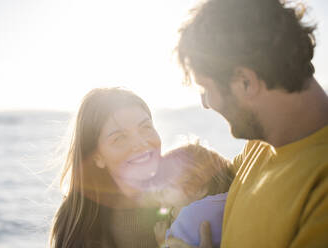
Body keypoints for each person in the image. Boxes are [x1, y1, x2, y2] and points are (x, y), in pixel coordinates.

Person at [167, 0, 328, 247]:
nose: (207, 104)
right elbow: (211, 179)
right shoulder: (260, 146)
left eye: (206, 89)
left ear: (245, 82)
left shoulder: (320, 187)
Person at [49, 87, 165, 248]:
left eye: (145, 127)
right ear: (97, 157)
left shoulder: (196, 189)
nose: (140, 143)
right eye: (120, 138)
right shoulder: (76, 221)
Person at [152, 142, 233, 248]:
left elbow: (174, 244)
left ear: (199, 189)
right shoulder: (222, 204)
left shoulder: (193, 214)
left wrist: (163, 240)